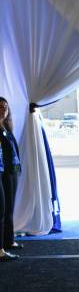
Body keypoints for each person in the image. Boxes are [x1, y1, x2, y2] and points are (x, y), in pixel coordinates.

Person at [0, 97, 22, 262]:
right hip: (3, 172)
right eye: (0, 107)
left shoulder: (6, 127)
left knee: (8, 209)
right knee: (2, 209)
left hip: (11, 171)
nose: (3, 110)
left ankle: (8, 241)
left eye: (6, 107)